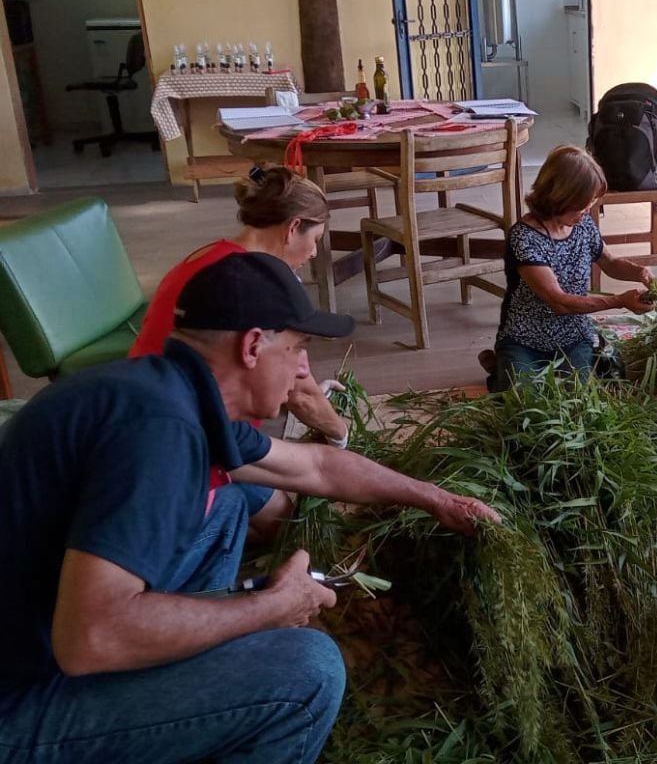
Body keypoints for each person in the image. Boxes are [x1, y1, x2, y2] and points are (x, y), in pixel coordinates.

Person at [0, 252, 502, 764]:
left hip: (38, 626)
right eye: (299, 347)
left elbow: (317, 468)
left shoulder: (169, 393)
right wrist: (270, 609)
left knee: (228, 507)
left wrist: (435, 498)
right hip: (22, 702)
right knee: (308, 670)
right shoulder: (162, 436)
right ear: (254, 345)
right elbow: (89, 639)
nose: (304, 368)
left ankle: (188, 677)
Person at [131, 165, 347, 542]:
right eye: (314, 239)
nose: (313, 252)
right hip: (179, 434)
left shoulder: (217, 257)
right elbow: (301, 394)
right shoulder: (253, 285)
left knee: (280, 505)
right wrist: (343, 437)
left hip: (155, 397)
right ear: (293, 228)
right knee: (293, 526)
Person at [481, 145, 653, 392]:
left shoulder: (582, 226)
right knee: (524, 399)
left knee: (573, 396)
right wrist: (619, 301)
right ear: (557, 197)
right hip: (524, 338)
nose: (585, 213)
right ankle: (502, 368)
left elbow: (610, 262)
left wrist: (639, 272)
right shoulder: (525, 237)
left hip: (572, 337)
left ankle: (515, 369)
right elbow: (558, 302)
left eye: (589, 205)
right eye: (580, 206)